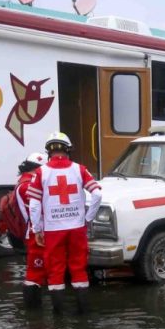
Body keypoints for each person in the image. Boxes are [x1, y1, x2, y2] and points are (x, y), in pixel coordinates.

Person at [27, 131, 102, 315]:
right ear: (68, 149)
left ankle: (59, 318)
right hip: (77, 228)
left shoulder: (40, 173)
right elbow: (98, 194)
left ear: (49, 151)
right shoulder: (80, 169)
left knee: (55, 271)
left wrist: (37, 229)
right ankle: (84, 314)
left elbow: (34, 205)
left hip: (52, 230)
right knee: (79, 269)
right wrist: (87, 218)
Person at [15, 152, 47, 309]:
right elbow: (39, 209)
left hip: (35, 231)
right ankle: (33, 314)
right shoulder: (28, 186)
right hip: (36, 233)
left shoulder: (24, 182)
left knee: (38, 272)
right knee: (34, 273)